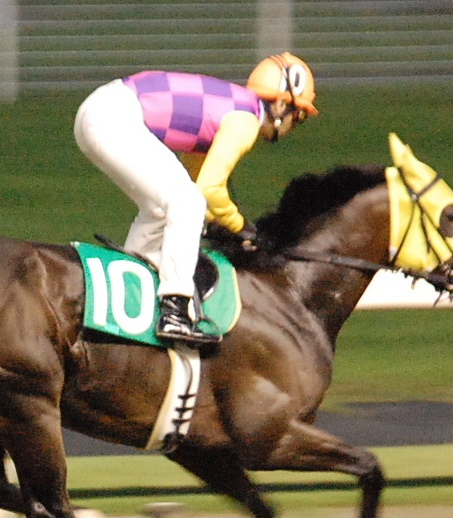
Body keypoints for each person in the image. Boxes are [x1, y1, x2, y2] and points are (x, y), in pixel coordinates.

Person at [74, 53, 317, 347]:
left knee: (162, 208)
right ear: (279, 105)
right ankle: (175, 310)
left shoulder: (227, 110)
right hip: (112, 115)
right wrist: (240, 227)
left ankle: (132, 288)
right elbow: (209, 190)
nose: (294, 125)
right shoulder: (246, 119)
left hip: (101, 110)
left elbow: (198, 184)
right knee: (185, 202)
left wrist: (218, 223)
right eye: (298, 116)